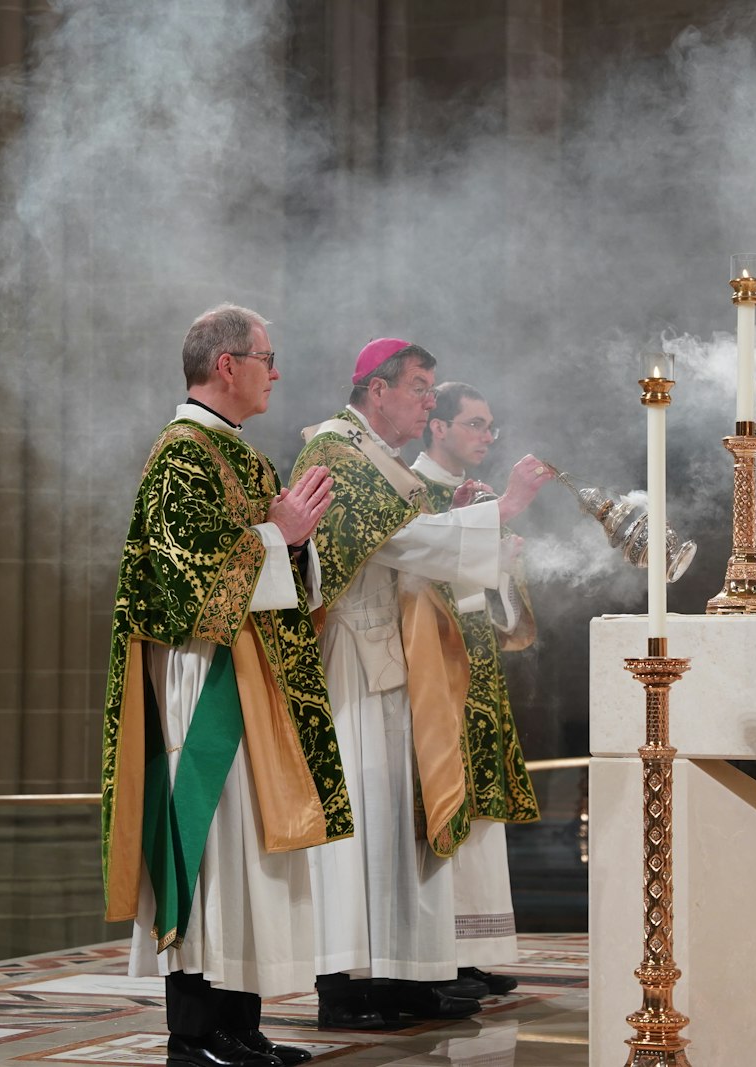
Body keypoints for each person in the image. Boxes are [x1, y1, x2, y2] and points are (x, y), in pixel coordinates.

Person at [100, 304, 350, 1067]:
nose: (277, 372)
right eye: (267, 356)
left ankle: (239, 1026)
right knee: (210, 852)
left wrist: (293, 545)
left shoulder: (240, 453)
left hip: (253, 680)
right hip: (203, 679)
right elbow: (181, 587)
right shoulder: (180, 454)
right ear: (226, 365)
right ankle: (195, 1035)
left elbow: (279, 566)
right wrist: (280, 537)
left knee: (249, 856)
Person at [290, 339, 553, 1029]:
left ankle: (403, 973)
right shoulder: (336, 452)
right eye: (418, 386)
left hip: (397, 660)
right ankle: (346, 984)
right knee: (362, 828)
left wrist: (467, 519)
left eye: (432, 387)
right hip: (356, 656)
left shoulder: (375, 459)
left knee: (397, 824)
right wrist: (499, 513)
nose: (428, 400)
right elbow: (401, 544)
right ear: (376, 390)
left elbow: (412, 534)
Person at [411, 382, 541, 997]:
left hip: (480, 673)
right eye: (475, 424)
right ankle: (436, 953)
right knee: (441, 806)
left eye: (492, 426)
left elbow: (511, 622)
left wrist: (506, 568)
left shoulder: (484, 498)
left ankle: (473, 950)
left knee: (481, 815)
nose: (488, 436)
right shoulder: (409, 491)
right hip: (432, 670)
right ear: (437, 426)